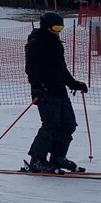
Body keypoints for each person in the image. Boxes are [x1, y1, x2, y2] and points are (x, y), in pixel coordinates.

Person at [23, 12, 88, 173]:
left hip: (59, 91)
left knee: (69, 124)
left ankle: (58, 157)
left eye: (60, 28)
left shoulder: (56, 44)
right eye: (56, 28)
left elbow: (61, 69)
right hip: (45, 92)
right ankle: (37, 160)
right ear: (46, 26)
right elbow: (30, 69)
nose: (58, 31)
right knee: (50, 125)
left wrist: (74, 84)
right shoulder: (35, 44)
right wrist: (38, 87)